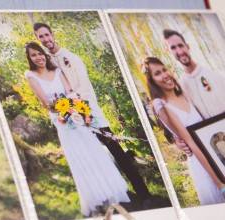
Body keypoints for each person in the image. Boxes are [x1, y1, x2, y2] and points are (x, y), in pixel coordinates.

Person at [33, 22, 152, 202]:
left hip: (90, 114)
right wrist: (67, 112)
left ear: (52, 34)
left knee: (115, 149)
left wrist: (79, 109)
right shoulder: (45, 63)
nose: (45, 39)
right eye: (41, 37)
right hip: (71, 120)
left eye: (47, 35)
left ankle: (143, 193)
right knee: (93, 155)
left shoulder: (71, 57)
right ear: (37, 39)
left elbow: (84, 87)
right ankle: (114, 192)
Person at [24, 41, 130, 216]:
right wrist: (63, 108)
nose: (38, 57)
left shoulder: (57, 71)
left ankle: (109, 190)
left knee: (93, 152)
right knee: (79, 156)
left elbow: (70, 91)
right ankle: (95, 197)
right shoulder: (31, 76)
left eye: (40, 53)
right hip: (62, 122)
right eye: (33, 55)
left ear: (44, 54)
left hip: (77, 117)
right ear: (30, 58)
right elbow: (46, 104)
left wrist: (75, 107)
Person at [143, 56, 225, 205]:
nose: (164, 75)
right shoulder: (164, 106)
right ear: (152, 81)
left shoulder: (184, 93)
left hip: (217, 153)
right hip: (203, 166)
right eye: (157, 73)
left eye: (164, 69)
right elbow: (190, 142)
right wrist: (219, 183)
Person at [163, 29, 225, 155]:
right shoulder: (179, 88)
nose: (179, 51)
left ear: (188, 46)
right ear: (169, 52)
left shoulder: (216, 74)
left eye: (181, 45)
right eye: (173, 48)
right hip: (214, 147)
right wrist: (179, 141)